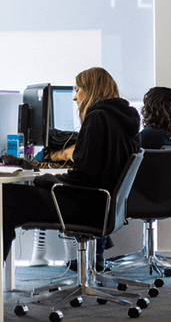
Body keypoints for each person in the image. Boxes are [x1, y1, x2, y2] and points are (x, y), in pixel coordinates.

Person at [2, 67, 140, 263]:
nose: (75, 98)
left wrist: (45, 179)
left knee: (6, 198)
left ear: (91, 90)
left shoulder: (97, 118)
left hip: (85, 207)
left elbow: (82, 178)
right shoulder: (125, 119)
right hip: (104, 207)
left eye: (78, 89)